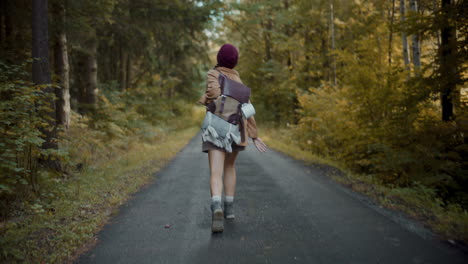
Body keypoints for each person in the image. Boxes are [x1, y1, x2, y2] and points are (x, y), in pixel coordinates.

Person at [198, 44, 268, 232]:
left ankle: (216, 207)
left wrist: (205, 97)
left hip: (216, 127)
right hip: (237, 129)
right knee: (230, 166)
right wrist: (254, 135)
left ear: (219, 59)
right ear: (235, 61)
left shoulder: (214, 73)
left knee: (215, 170)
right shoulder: (240, 81)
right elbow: (248, 109)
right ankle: (229, 210)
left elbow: (213, 93)